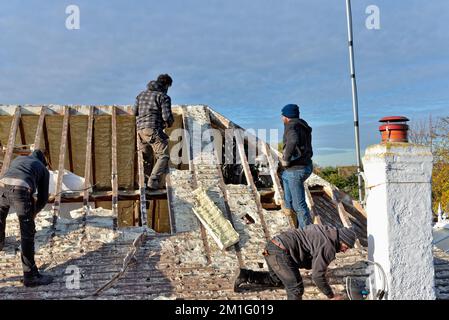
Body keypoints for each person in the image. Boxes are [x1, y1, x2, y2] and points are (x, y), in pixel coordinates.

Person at [233, 224, 357, 300]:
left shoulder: (326, 230)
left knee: (276, 280)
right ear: (342, 240)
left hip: (270, 248)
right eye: (346, 247)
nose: (345, 251)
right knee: (296, 288)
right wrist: (331, 295)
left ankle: (244, 275)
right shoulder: (329, 246)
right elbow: (317, 276)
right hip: (280, 253)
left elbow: (309, 250)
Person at [0, 149, 53, 287]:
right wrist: (34, 213)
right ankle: (30, 276)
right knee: (27, 233)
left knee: (0, 219)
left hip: (2, 187)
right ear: (43, 162)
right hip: (20, 191)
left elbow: (17, 176)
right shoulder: (42, 169)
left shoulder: (18, 159)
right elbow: (43, 198)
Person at [135, 74, 174, 190]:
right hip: (153, 129)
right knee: (164, 155)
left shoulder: (140, 95)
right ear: (166, 85)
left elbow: (134, 112)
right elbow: (167, 117)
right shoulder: (163, 97)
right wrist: (169, 123)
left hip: (140, 132)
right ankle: (153, 180)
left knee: (147, 157)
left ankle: (144, 182)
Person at [280, 104, 313, 229]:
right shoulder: (303, 126)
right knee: (284, 176)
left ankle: (306, 232)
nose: (282, 118)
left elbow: (292, 141)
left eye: (283, 115)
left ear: (287, 116)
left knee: (299, 205)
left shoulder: (291, 126)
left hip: (296, 169)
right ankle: (288, 207)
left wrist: (286, 158)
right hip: (306, 166)